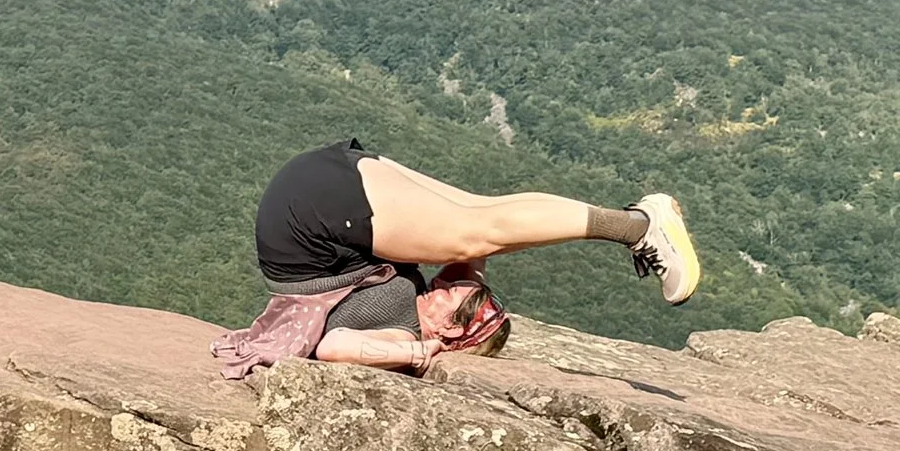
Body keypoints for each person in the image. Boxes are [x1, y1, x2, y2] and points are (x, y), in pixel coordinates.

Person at [210, 140, 700, 379]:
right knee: (477, 228)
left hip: (312, 221)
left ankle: (637, 225)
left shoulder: (404, 331)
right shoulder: (424, 305)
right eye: (475, 295)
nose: (457, 288)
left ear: (450, 333)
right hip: (319, 213)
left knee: (477, 228)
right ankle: (636, 226)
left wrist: (414, 354)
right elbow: (476, 257)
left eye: (468, 307)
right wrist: (465, 281)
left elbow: (335, 345)